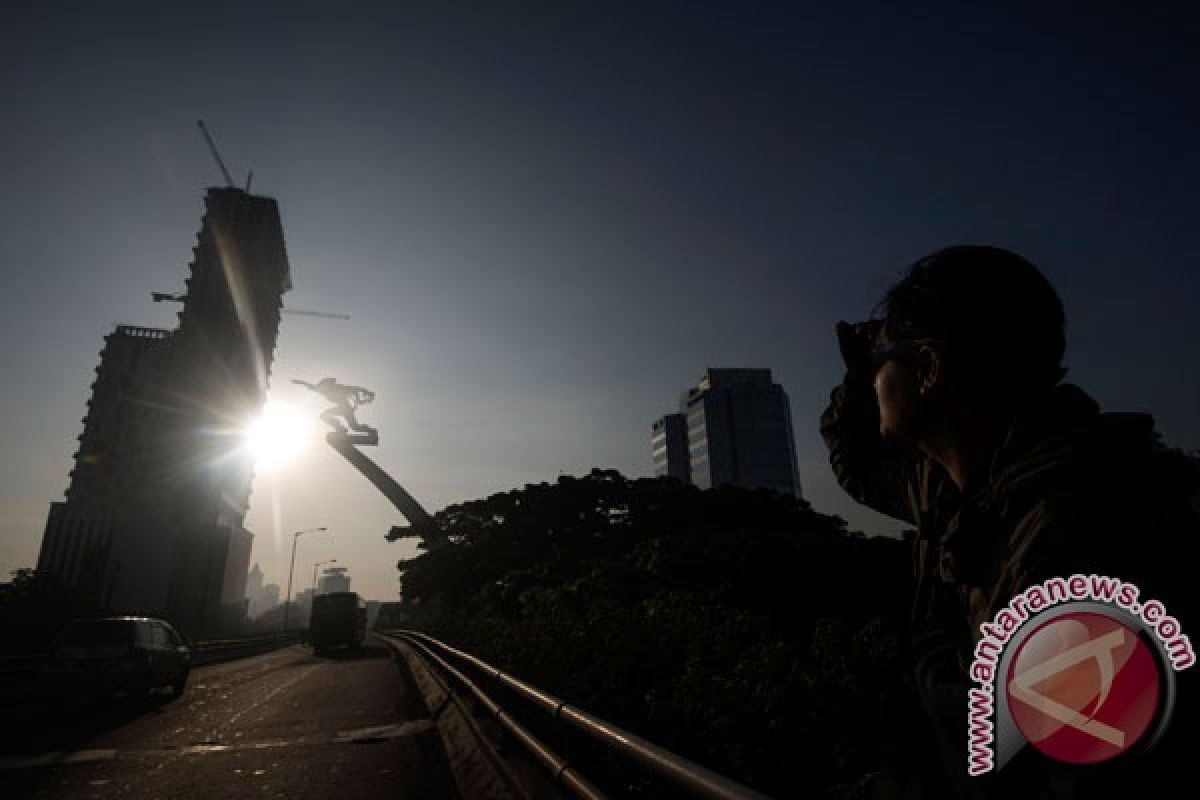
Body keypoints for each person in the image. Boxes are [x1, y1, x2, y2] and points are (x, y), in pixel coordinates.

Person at [819, 245, 1198, 798]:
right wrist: (860, 372)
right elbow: (860, 466)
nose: (875, 382)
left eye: (882, 366)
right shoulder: (962, 486)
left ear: (928, 369)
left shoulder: (1081, 533)